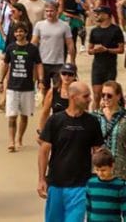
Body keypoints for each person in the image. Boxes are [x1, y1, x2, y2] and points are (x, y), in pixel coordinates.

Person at [38, 82, 104, 222]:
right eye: (86, 96)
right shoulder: (55, 120)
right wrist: (41, 179)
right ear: (73, 97)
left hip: (81, 185)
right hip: (55, 184)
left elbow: (98, 152)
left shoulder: (92, 122)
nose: (90, 99)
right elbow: (44, 152)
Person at [1, 22, 42, 152]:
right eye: (16, 31)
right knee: (12, 116)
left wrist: (40, 80)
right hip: (12, 87)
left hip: (28, 87)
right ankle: (11, 141)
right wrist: (1, 81)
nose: (19, 34)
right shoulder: (10, 48)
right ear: (14, 34)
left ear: (26, 33)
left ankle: (19, 139)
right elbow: (5, 64)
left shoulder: (33, 49)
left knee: (24, 115)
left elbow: (39, 64)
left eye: (21, 31)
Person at [31, 1, 75, 95]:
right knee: (44, 89)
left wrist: (72, 61)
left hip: (58, 63)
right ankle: (45, 107)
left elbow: (70, 44)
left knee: (58, 88)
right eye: (47, 11)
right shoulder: (39, 25)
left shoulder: (64, 26)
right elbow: (34, 42)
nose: (49, 13)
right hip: (43, 62)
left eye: (51, 11)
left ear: (57, 11)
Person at [88, 7, 125, 107]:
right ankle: (96, 117)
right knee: (96, 95)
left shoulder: (116, 30)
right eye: (96, 13)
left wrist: (107, 49)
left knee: (108, 95)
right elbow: (89, 50)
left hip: (110, 67)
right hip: (97, 67)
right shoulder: (94, 31)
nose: (96, 15)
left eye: (99, 13)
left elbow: (121, 50)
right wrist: (94, 50)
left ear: (107, 15)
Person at [85, 148, 126, 222]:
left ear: (112, 166)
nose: (100, 173)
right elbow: (88, 207)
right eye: (97, 170)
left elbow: (125, 209)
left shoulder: (120, 186)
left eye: (103, 170)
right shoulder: (91, 184)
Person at [38, 63, 77, 134]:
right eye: (64, 73)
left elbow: (84, 113)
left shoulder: (79, 92)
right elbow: (45, 112)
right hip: (56, 129)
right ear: (60, 74)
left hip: (73, 129)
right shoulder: (53, 92)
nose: (66, 76)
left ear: (74, 76)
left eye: (70, 74)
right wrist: (41, 131)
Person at [93, 81, 126, 160]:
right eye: (103, 95)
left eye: (109, 95)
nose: (105, 98)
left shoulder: (124, 116)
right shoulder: (94, 116)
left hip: (120, 168)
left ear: (118, 96)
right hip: (99, 168)